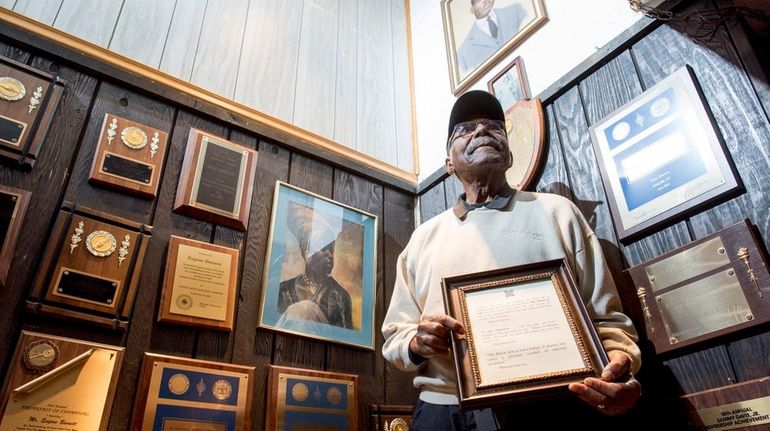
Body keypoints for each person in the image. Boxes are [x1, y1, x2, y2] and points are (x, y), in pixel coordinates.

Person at [381, 90, 642, 430]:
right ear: (449, 164)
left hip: (555, 404)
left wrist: (621, 368)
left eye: (493, 127)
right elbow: (395, 336)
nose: (481, 131)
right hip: (445, 410)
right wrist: (418, 342)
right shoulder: (422, 238)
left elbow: (609, 323)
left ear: (509, 153)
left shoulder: (558, 213)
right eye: (464, 130)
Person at [277, 205, 353, 329]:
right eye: (325, 248)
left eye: (332, 249)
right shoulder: (284, 290)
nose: (330, 255)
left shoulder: (340, 296)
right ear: (307, 253)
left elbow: (345, 339)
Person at [457, 0, 527, 73]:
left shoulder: (516, 10)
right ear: (472, 9)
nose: (484, 1)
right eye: (478, 1)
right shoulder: (463, 54)